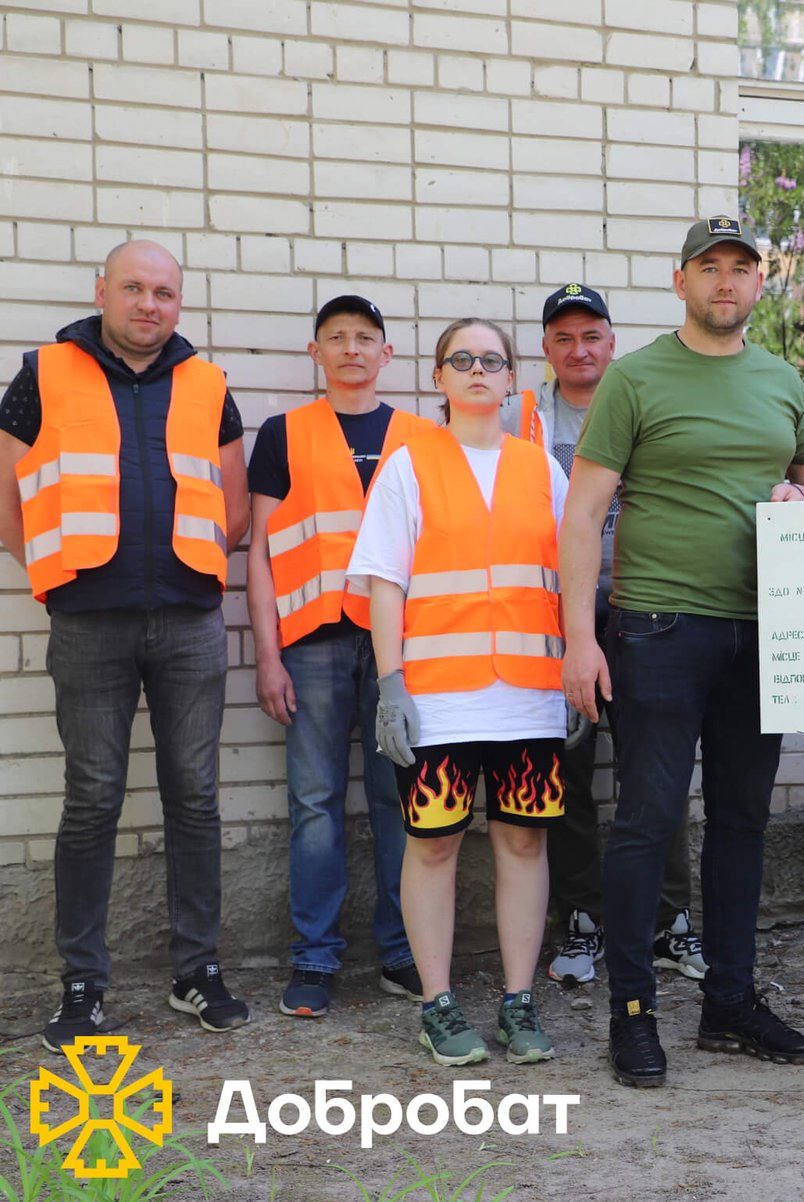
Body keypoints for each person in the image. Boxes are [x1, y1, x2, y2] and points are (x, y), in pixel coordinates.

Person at [561, 215, 804, 1087]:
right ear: (681, 280)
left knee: (743, 823)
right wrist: (579, 638)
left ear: (761, 284)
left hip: (765, 630)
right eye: (710, 267)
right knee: (647, 820)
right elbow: (581, 513)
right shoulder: (636, 378)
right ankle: (633, 1011)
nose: (727, 282)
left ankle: (729, 1002)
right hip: (658, 628)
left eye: (742, 269)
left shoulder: (783, 379)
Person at [0, 240, 252, 1050]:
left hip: (188, 618)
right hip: (87, 619)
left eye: (165, 293)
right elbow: (7, 494)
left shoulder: (208, 384)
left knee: (196, 796)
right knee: (92, 799)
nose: (150, 304)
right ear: (101, 289)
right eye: (135, 288)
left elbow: (235, 509)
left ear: (180, 304)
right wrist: (50, 569)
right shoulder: (44, 373)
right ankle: (81, 983)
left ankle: (196, 969)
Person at [347, 318, 569, 1067]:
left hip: (530, 695)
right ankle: (437, 1004)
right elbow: (384, 584)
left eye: (493, 360)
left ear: (512, 379)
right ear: (439, 378)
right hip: (437, 699)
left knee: (523, 840)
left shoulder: (543, 470)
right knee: (434, 844)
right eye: (462, 359)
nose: (478, 370)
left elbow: (571, 580)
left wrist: (572, 671)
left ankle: (517, 1001)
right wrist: (389, 687)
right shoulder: (409, 466)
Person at [502, 284, 707, 987]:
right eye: (564, 338)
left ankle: (669, 921)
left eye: (592, 335)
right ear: (546, 349)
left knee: (658, 771)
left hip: (648, 607)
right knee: (567, 772)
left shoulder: (647, 396)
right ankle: (583, 921)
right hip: (559, 615)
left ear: (612, 342)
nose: (579, 349)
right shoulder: (519, 419)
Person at [246, 295, 434, 1018]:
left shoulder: (422, 437)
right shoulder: (284, 435)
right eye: (336, 338)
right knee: (314, 805)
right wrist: (268, 655)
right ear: (314, 352)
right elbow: (260, 554)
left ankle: (402, 953)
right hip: (313, 646)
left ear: (387, 354)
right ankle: (315, 961)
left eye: (365, 338)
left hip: (399, 647)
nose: (351, 348)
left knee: (399, 802)